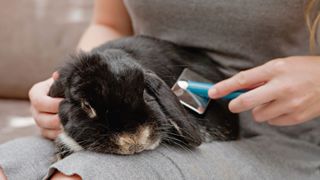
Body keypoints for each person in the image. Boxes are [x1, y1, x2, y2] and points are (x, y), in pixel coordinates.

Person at [1, 0, 320, 179]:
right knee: (10, 164)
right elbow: (110, 26)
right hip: (149, 116)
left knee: (83, 175)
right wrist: (76, 80)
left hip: (287, 137)